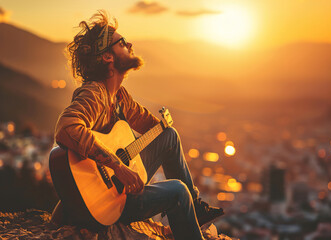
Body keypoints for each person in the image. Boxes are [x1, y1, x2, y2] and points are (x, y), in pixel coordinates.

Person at [52, 11, 223, 240]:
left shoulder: (120, 96)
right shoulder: (93, 93)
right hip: (106, 202)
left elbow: (151, 126)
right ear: (107, 57)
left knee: (169, 135)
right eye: (122, 42)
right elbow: (66, 128)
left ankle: (195, 207)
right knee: (178, 191)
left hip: (117, 187)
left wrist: (163, 126)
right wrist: (119, 167)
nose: (129, 44)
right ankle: (189, 208)